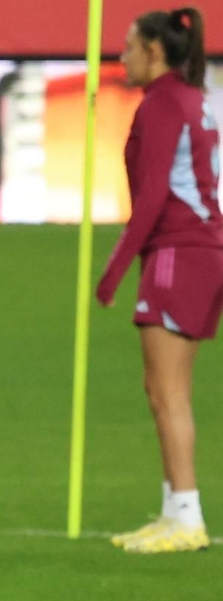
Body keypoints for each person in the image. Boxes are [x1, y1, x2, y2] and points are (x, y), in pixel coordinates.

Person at [97, 9, 219, 554]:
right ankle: (174, 512)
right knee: (164, 391)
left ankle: (188, 515)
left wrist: (116, 268)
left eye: (129, 46)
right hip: (198, 251)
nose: (121, 56)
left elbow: (150, 198)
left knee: (167, 392)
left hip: (178, 251)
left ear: (154, 51)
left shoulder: (165, 102)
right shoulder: (196, 98)